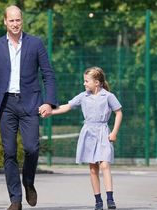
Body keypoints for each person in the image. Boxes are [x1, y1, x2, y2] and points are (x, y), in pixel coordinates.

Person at [0, 5, 58, 210]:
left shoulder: (35, 43)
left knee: (32, 148)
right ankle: (15, 199)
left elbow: (48, 74)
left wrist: (48, 102)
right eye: (11, 20)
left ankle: (29, 182)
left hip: (30, 103)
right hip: (5, 104)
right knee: (9, 152)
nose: (15, 24)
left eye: (18, 20)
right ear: (5, 22)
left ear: (22, 21)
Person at [51, 66, 122, 210]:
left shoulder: (108, 96)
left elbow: (119, 113)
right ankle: (98, 201)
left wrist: (114, 132)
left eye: (86, 81)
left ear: (97, 82)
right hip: (88, 133)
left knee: (105, 165)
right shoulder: (83, 96)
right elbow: (67, 106)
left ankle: (110, 198)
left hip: (103, 132)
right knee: (93, 168)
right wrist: (50, 112)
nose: (84, 83)